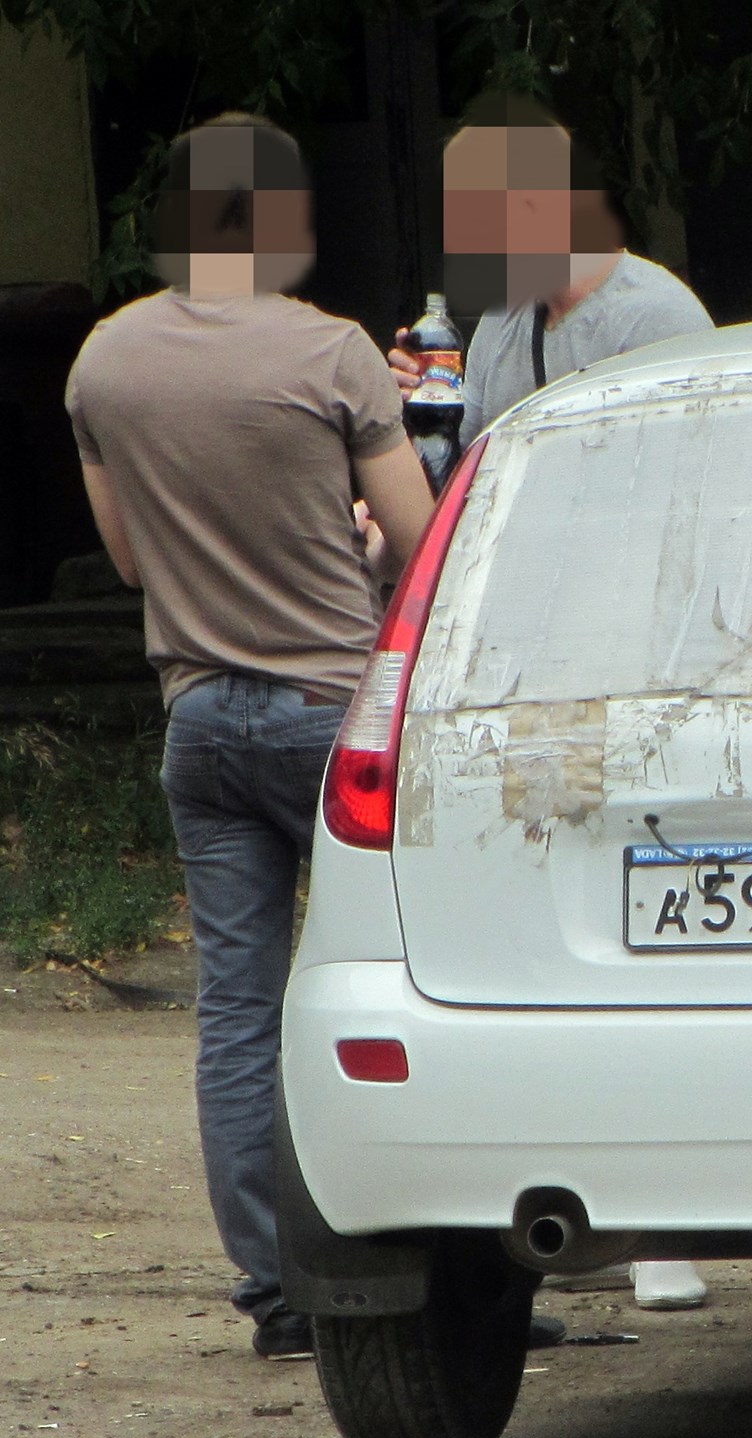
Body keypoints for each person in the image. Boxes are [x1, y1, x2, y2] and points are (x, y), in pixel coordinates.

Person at [65, 115, 436, 1361]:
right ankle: (418, 1260)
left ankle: (276, 1290)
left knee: (238, 1008)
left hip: (199, 719)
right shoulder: (333, 353)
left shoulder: (104, 366)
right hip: (334, 721)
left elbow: (126, 559)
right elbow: (417, 536)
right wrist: (361, 546)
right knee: (390, 985)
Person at [389, 92, 715, 1313]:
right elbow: (480, 477)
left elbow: (701, 496)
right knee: (560, 936)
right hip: (532, 682)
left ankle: (675, 1217)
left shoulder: (656, 312)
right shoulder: (495, 325)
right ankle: (581, 1200)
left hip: (645, 671)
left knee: (661, 930)